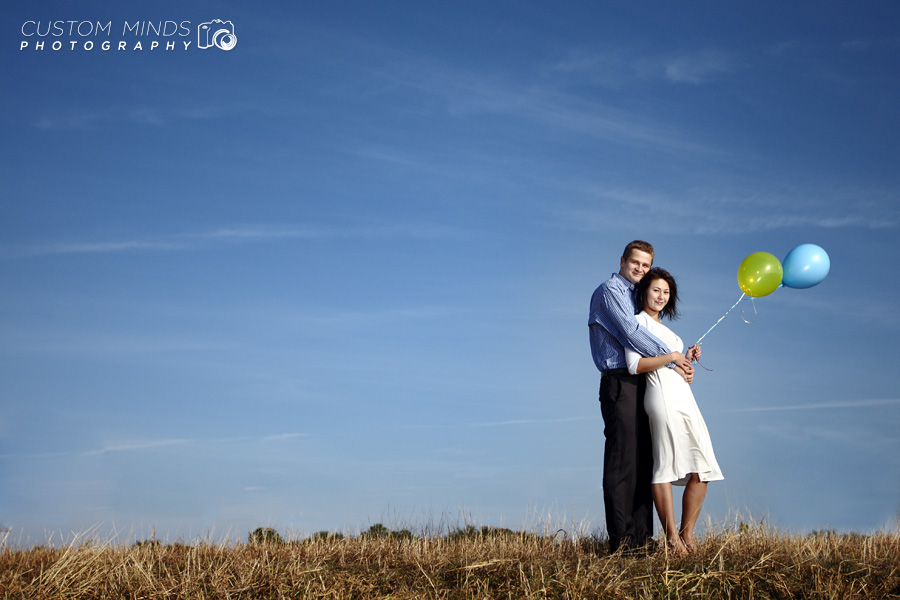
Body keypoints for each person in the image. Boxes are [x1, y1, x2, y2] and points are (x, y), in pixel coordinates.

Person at [588, 240, 698, 553]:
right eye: (635, 262)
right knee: (623, 461)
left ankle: (642, 539)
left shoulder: (636, 296)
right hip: (619, 382)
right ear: (623, 260)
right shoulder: (611, 291)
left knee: (644, 462)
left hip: (644, 382)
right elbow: (631, 334)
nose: (640, 268)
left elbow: (653, 333)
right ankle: (622, 542)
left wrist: (681, 362)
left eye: (645, 265)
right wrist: (674, 358)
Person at [625, 267, 723, 554]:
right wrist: (672, 357)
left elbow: (673, 365)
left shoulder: (668, 330)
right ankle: (672, 540)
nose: (661, 296)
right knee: (665, 466)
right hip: (661, 397)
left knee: (702, 467)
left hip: (684, 397)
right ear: (643, 291)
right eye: (656, 290)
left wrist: (686, 364)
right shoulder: (636, 323)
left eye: (666, 292)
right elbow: (635, 365)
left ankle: (687, 536)